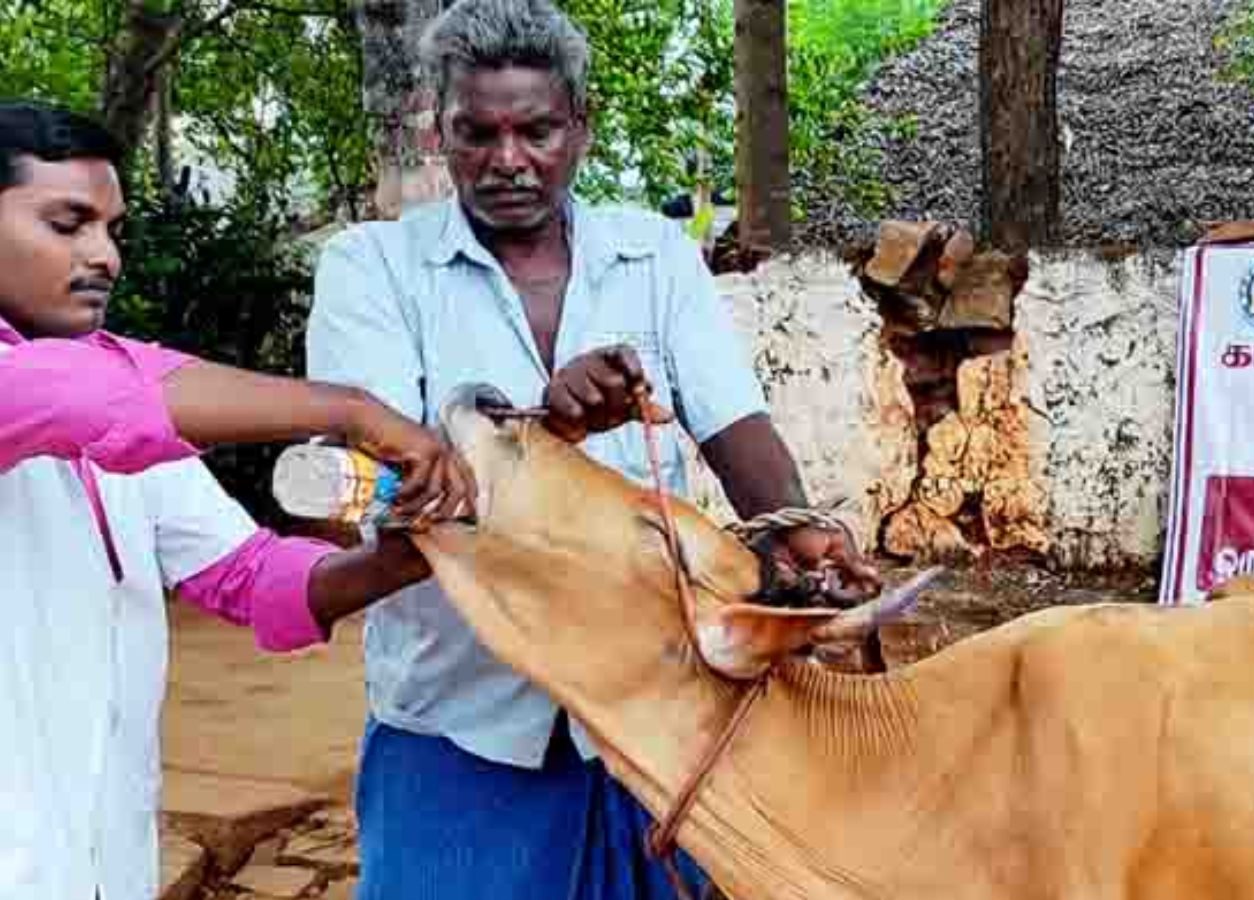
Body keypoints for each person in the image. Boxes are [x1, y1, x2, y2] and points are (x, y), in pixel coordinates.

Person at [303, 0, 882, 896]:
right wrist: (548, 426)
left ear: (581, 126)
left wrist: (795, 528)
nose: (507, 161)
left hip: (658, 712)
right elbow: (379, 486)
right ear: (439, 129)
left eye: (535, 130)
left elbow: (734, 423)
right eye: (475, 132)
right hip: (460, 720)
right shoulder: (373, 269)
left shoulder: (654, 257)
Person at [0, 98, 477, 900]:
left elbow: (253, 578)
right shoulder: (87, 393)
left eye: (113, 230)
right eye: (67, 223)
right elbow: (102, 401)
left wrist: (411, 551)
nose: (104, 255)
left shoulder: (121, 398)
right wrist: (355, 408)